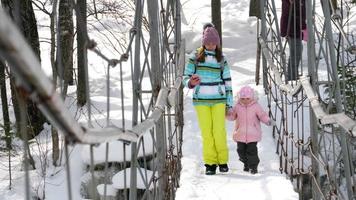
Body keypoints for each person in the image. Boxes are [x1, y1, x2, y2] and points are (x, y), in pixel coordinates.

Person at [183, 25, 233, 175]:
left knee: (219, 131)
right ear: (203, 42)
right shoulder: (195, 57)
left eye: (213, 43)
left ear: (217, 43)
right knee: (207, 132)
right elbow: (185, 77)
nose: (211, 45)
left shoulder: (222, 59)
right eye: (208, 42)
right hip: (201, 101)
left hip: (219, 100)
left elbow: (228, 82)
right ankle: (210, 163)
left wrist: (229, 103)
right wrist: (191, 82)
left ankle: (222, 160)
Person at [226, 86, 274, 174]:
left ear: (252, 97)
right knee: (240, 151)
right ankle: (246, 163)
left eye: (247, 98)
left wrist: (267, 120)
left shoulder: (256, 106)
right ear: (239, 97)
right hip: (240, 133)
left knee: (252, 152)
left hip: (253, 134)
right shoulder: (237, 106)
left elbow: (262, 115)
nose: (245, 100)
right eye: (243, 98)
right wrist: (227, 114)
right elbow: (233, 116)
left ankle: (253, 167)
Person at [280, 0, 306, 81]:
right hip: (291, 28)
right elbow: (292, 13)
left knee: (296, 50)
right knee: (296, 51)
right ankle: (292, 77)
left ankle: (292, 75)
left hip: (295, 28)